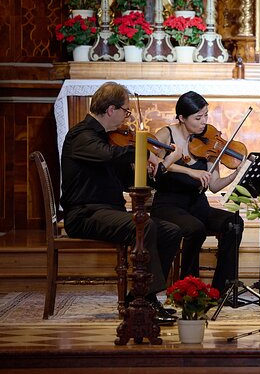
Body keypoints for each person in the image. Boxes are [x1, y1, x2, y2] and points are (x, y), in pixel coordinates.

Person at [60, 82, 183, 325]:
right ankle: (144, 300)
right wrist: (142, 152)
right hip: (84, 214)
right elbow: (108, 155)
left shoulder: (108, 140)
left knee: (171, 230)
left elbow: (131, 181)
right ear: (110, 109)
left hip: (108, 212)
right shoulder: (81, 135)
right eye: (126, 111)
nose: (127, 117)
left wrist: (161, 164)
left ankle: (141, 296)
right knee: (144, 226)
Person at [150, 91, 245, 294]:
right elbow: (155, 164)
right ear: (182, 118)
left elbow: (214, 184)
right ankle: (187, 288)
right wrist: (189, 171)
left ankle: (221, 289)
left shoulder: (207, 140)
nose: (204, 122)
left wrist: (236, 174)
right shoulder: (166, 134)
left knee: (234, 223)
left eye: (206, 116)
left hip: (197, 205)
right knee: (195, 228)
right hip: (168, 205)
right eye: (198, 117)